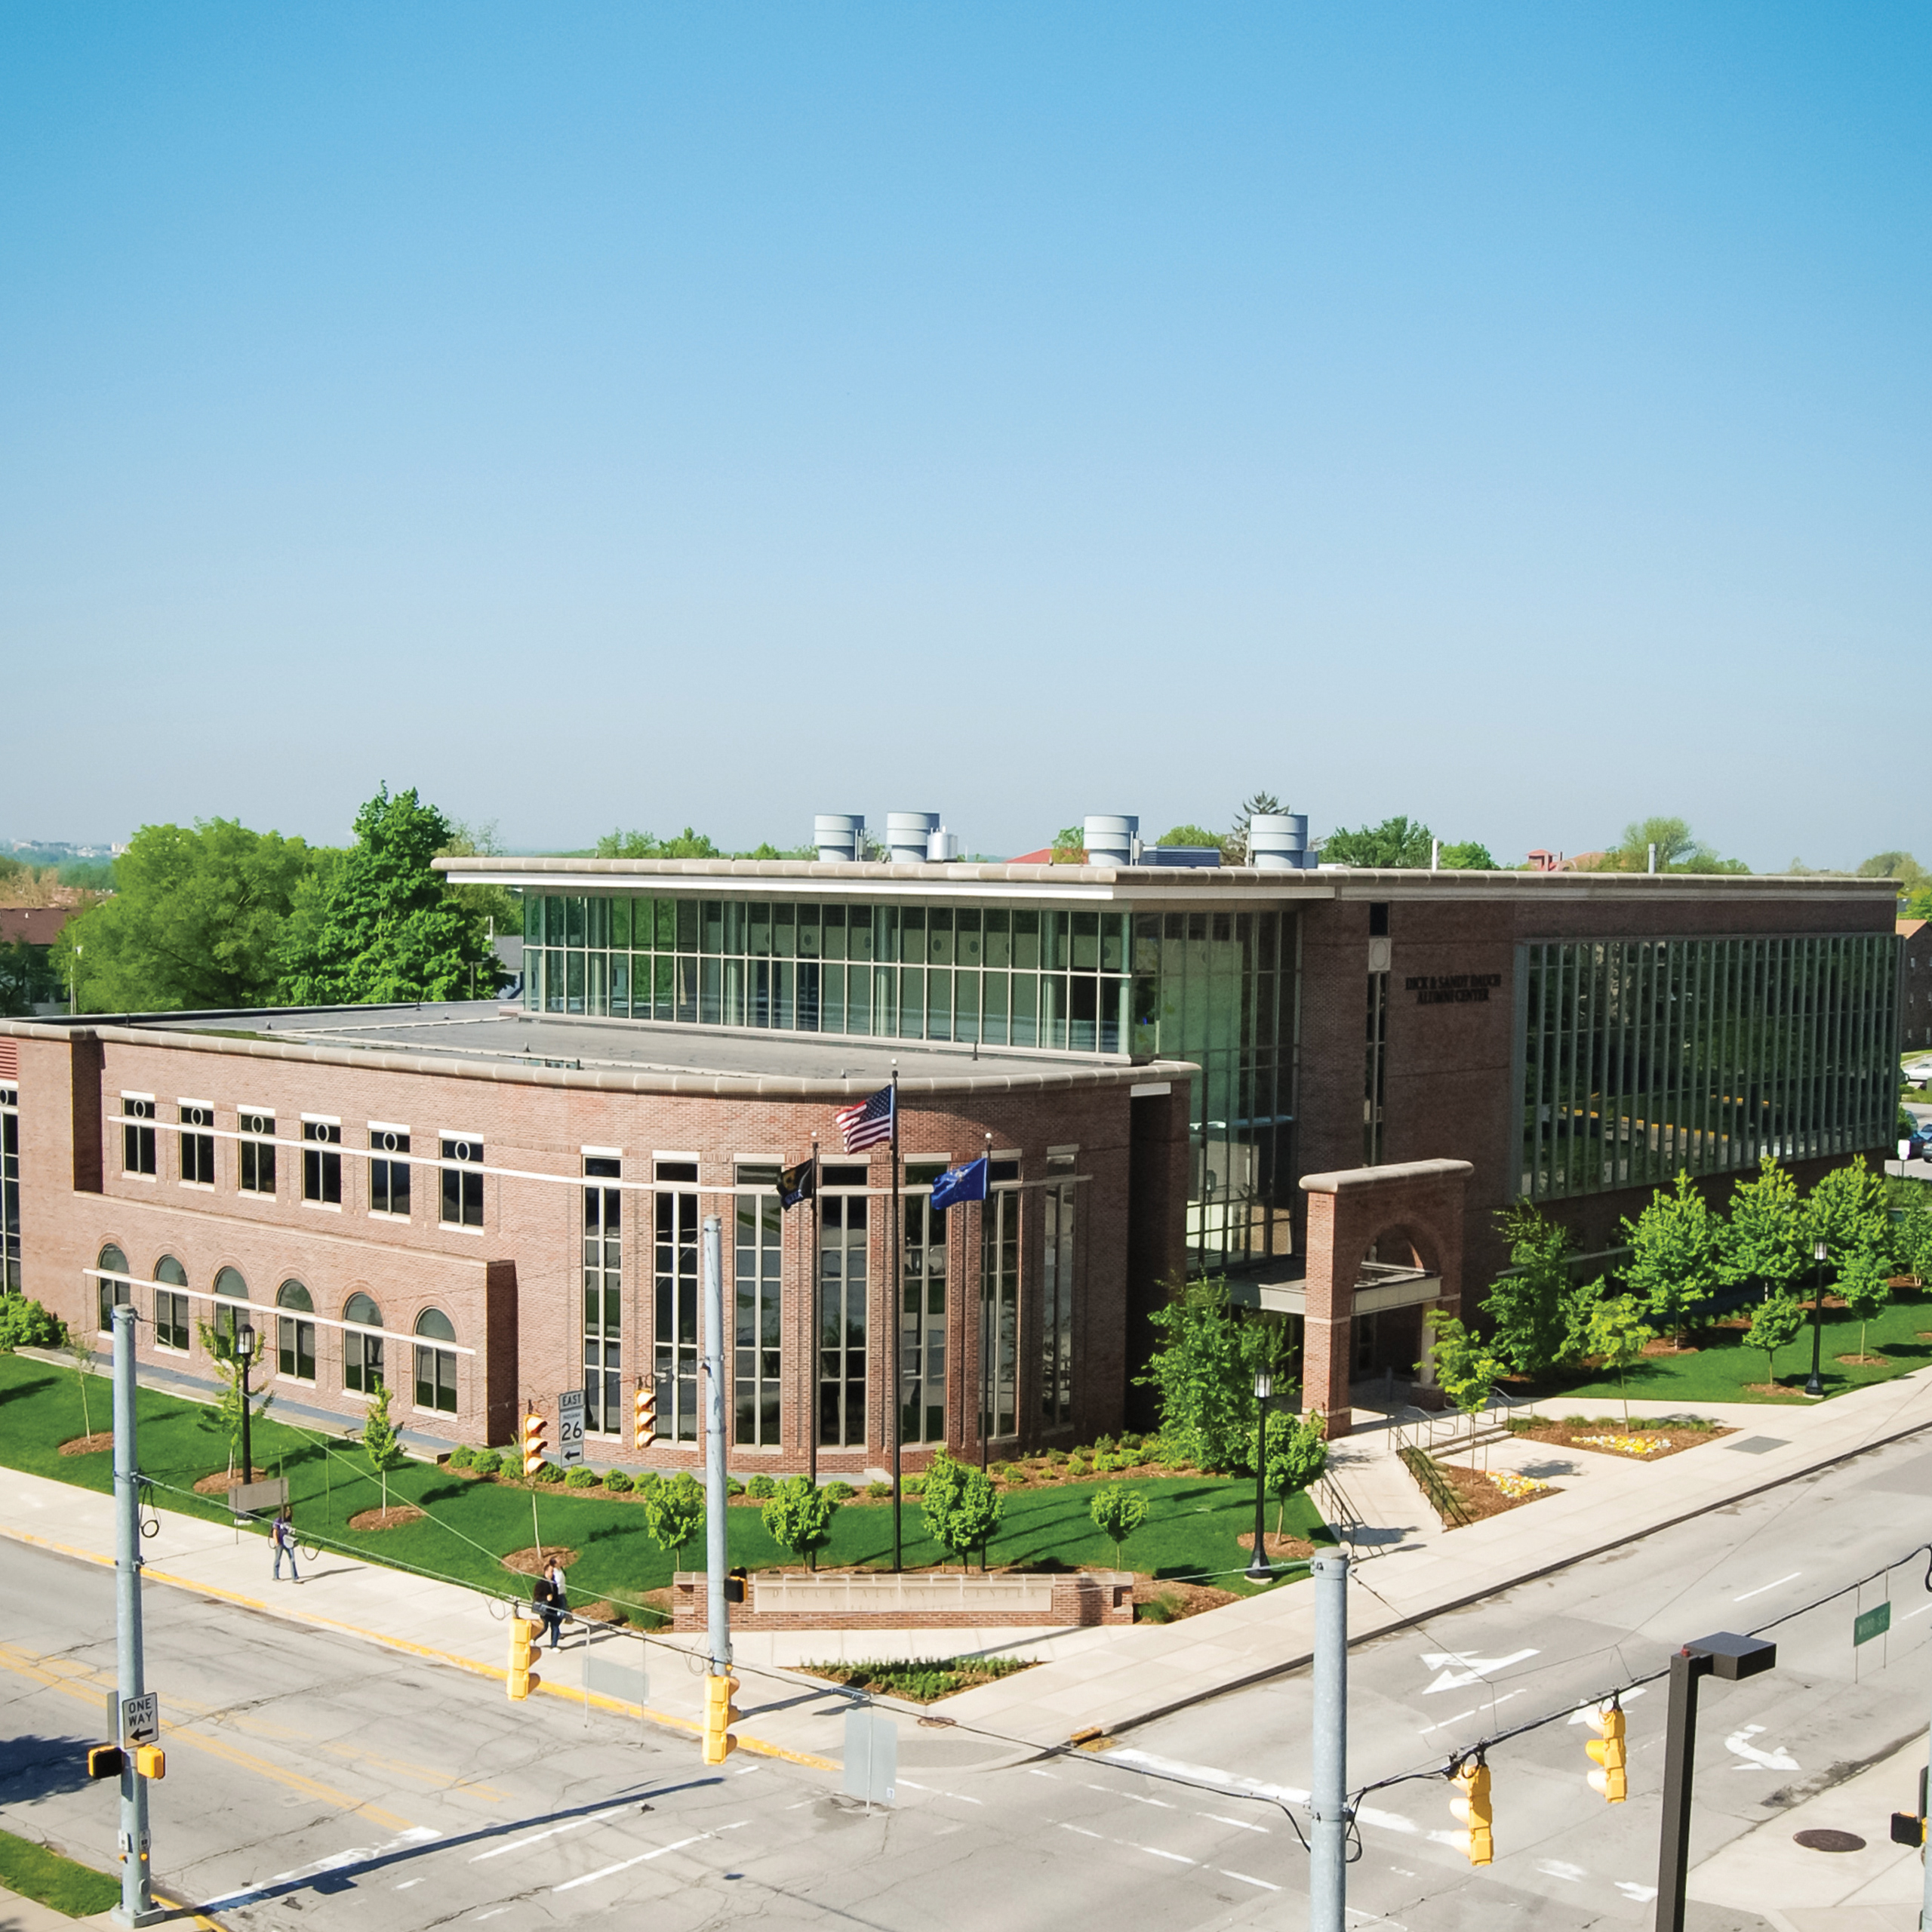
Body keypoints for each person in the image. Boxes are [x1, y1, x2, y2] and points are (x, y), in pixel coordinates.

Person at [543, 1558, 569, 1650]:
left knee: (563, 1613)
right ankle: (556, 1631)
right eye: (558, 1561)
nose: (561, 1561)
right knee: (561, 1614)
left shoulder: (560, 1570)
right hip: (558, 1595)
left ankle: (556, 1630)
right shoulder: (554, 1572)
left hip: (562, 1593)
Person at [272, 1506, 301, 1584]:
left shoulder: (289, 1520)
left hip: (288, 1541)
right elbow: (275, 1531)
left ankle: (295, 1578)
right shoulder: (278, 1520)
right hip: (280, 1542)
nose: (289, 1512)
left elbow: (288, 1530)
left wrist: (292, 1531)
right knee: (278, 1559)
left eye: (289, 1511)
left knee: (292, 1559)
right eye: (287, 1511)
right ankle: (276, 1576)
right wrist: (277, 1542)